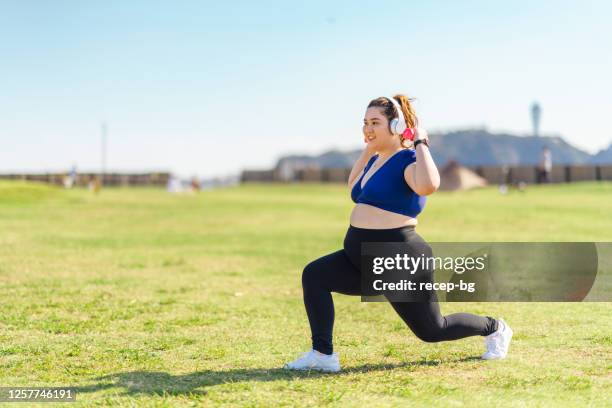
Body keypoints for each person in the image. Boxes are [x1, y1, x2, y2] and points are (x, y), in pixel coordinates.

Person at [284, 95, 513, 372]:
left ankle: (495, 328)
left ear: (395, 125)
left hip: (397, 259)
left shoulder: (407, 160)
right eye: (365, 123)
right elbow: (353, 186)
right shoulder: (376, 160)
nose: (367, 128)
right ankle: (323, 355)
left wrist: (419, 141)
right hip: (359, 257)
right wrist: (369, 149)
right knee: (315, 275)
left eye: (375, 123)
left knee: (432, 330)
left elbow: (429, 184)